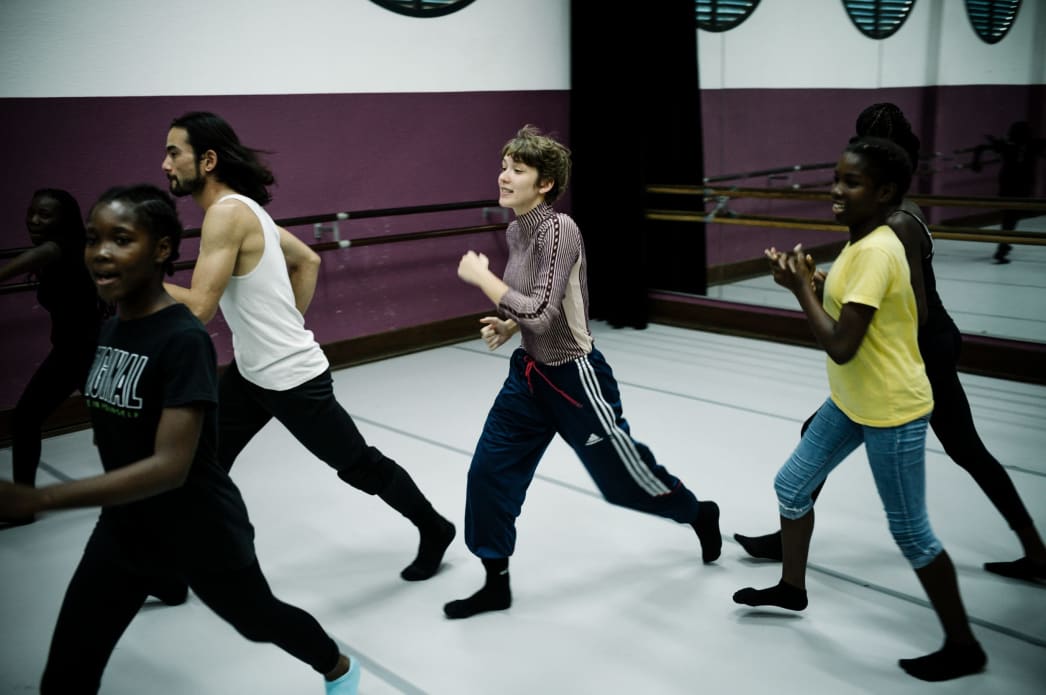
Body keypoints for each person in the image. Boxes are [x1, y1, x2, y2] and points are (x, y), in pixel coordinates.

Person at [0, 185, 360, 694]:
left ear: (162, 250)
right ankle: (164, 582)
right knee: (65, 675)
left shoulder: (182, 339)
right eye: (93, 239)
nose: (101, 252)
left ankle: (338, 667)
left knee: (259, 622)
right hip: (124, 530)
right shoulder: (110, 332)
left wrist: (41, 497)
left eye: (121, 239)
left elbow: (171, 465)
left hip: (200, 530)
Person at [735, 103, 1046, 583]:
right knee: (958, 449)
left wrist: (829, 308)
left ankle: (1032, 553)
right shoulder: (893, 209)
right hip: (923, 343)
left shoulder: (896, 221)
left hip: (921, 350)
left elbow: (914, 310)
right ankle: (789, 534)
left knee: (965, 450)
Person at [732, 137, 986, 682]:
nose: (836, 190)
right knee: (792, 486)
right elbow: (853, 310)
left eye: (851, 182)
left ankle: (964, 645)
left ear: (885, 192)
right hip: (853, 400)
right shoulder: (862, 242)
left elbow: (842, 344)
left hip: (891, 410)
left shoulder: (874, 249)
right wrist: (810, 281)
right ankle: (792, 587)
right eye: (837, 178)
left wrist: (802, 291)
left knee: (912, 533)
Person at [160, 111, 454, 582]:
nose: (165, 164)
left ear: (208, 160)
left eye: (174, 152)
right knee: (205, 463)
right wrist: (281, 328)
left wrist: (137, 282)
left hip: (291, 378)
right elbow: (309, 260)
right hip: (254, 372)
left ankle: (435, 527)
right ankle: (177, 569)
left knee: (357, 464)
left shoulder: (226, 214)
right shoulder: (247, 208)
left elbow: (198, 310)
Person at [445, 124, 721, 620]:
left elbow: (548, 315)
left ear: (545, 183)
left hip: (575, 377)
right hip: (528, 378)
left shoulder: (560, 229)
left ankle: (698, 513)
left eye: (517, 169)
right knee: (488, 474)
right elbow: (531, 306)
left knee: (623, 484)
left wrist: (485, 280)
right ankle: (495, 582)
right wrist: (510, 326)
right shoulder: (516, 230)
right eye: (504, 165)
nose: (503, 175)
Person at [0, 190, 106, 517]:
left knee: (28, 418)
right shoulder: (72, 247)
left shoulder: (55, 248)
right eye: (32, 212)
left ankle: (22, 504)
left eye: (44, 215)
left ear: (62, 220)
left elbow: (17, 267)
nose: (34, 220)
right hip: (78, 352)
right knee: (111, 426)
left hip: (86, 353)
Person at [971, 120, 1046, 263]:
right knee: (1011, 216)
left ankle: (1004, 244)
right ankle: (1003, 246)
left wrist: (976, 163)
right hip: (1021, 185)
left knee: (1010, 216)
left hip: (1008, 184)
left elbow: (981, 148)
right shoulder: (1032, 145)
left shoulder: (1008, 145)